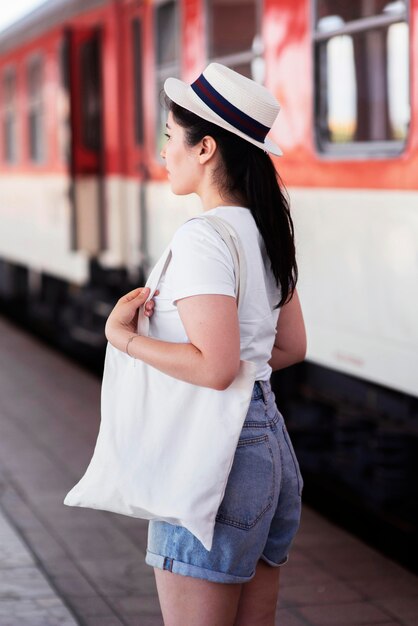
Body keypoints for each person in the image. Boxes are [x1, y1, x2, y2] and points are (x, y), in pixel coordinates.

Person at [104, 63, 306, 626]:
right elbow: (289, 347)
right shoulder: (267, 230)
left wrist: (122, 338)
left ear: (206, 148)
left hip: (214, 459)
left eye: (170, 137)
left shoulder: (203, 236)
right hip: (269, 455)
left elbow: (215, 369)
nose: (164, 151)